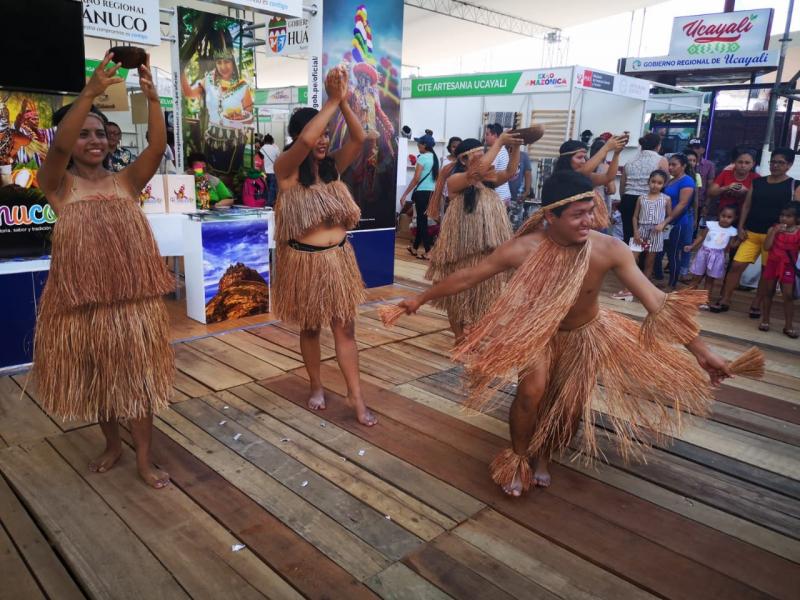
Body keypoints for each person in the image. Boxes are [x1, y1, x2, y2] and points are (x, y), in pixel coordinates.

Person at [391, 170, 746, 495]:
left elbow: (657, 301)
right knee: (531, 392)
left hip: (583, 334)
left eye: (590, 211)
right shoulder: (524, 249)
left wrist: (702, 352)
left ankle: (544, 456)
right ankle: (518, 457)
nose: (588, 220)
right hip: (535, 331)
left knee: (569, 405)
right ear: (551, 216)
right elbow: (469, 276)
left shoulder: (609, 249)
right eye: (577, 215)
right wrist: (419, 299)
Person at [33, 53, 174, 489]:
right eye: (84, 133)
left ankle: (144, 459)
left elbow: (156, 148)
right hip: (84, 309)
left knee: (139, 385)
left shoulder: (126, 181)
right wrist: (90, 93)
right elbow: (58, 149)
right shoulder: (59, 185)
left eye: (100, 133)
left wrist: (153, 100)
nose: (94, 140)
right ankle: (113, 445)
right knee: (101, 383)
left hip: (133, 309)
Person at [273, 65, 377, 427]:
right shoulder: (286, 169)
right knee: (311, 328)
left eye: (326, 133)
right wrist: (331, 100)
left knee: (345, 329)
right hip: (305, 262)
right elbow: (304, 143)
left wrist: (343, 101)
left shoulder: (333, 166)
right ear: (299, 135)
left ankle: (356, 395)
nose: (322, 140)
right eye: (317, 132)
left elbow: (359, 138)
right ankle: (316, 385)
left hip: (339, 259)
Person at [423, 134, 521, 341]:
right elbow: (475, 173)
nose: (483, 159)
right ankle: (460, 338)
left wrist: (516, 148)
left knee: (483, 296)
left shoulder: (490, 181)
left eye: (483, 154)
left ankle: (474, 336)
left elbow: (511, 172)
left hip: (487, 253)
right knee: (457, 298)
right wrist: (499, 142)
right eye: (478, 156)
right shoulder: (456, 180)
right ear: (463, 160)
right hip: (460, 252)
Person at [710, 147, 800, 315]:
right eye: (773, 162)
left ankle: (757, 303)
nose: (775, 165)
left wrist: (788, 232)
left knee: (766, 273)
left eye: (780, 163)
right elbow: (747, 205)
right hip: (750, 233)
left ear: (789, 165)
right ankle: (725, 299)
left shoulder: (794, 185)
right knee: (736, 265)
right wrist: (741, 226)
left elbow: (796, 212)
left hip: (774, 237)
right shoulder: (758, 182)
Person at [181, 32, 253, 175]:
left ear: (233, 62)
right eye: (219, 62)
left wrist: (238, 117)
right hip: (211, 139)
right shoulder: (208, 80)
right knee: (207, 176)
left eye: (226, 62)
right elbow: (189, 94)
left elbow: (249, 116)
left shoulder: (242, 86)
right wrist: (180, 71)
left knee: (229, 179)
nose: (223, 66)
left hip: (234, 141)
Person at [684, 206, 739, 309]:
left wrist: (739, 239)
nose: (725, 219)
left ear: (734, 218)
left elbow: (732, 245)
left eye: (729, 217)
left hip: (717, 257)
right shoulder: (711, 225)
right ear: (719, 215)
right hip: (703, 253)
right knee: (696, 277)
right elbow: (701, 236)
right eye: (723, 216)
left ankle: (704, 301)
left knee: (710, 280)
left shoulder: (733, 231)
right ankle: (687, 298)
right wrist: (692, 246)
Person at [759, 203, 800, 337]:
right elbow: (766, 247)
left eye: (788, 216)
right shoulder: (773, 229)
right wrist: (774, 232)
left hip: (788, 266)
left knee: (788, 295)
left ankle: (788, 326)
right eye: (782, 215)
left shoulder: (798, 232)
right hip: (773, 263)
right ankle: (765, 320)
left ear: (797, 219)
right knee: (768, 291)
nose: (784, 218)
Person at [619, 133, 669, 243]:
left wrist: (624, 199)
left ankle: (628, 254)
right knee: (648, 237)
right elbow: (665, 181)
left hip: (628, 199)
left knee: (629, 235)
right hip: (648, 200)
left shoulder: (630, 160)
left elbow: (623, 184)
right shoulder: (661, 160)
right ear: (658, 145)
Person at [399, 133, 439, 260]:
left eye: (419, 143)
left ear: (424, 145)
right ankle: (415, 248)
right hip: (431, 193)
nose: (417, 145)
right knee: (422, 220)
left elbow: (416, 179)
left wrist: (404, 194)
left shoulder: (422, 158)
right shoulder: (434, 158)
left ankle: (428, 251)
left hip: (422, 193)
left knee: (422, 222)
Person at [627, 170, 671, 284]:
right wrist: (636, 232)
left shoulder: (666, 199)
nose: (655, 185)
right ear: (648, 181)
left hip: (656, 233)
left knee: (649, 262)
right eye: (653, 181)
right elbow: (635, 217)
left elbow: (670, 216)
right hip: (641, 231)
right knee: (632, 259)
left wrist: (662, 224)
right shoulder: (641, 198)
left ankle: (643, 286)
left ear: (664, 184)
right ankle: (629, 287)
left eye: (659, 183)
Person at [660, 153, 696, 291]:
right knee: (663, 251)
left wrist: (667, 220)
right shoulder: (671, 180)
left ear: (683, 166)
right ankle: (663, 279)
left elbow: (682, 204)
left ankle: (672, 284)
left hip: (678, 222)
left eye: (674, 165)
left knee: (673, 254)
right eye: (669, 164)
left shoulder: (687, 181)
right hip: (667, 222)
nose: (670, 167)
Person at [555, 135, 626, 189]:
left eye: (584, 157)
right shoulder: (562, 176)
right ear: (566, 159)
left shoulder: (587, 176)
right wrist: (606, 147)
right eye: (579, 157)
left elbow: (609, 177)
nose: (583, 161)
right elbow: (582, 173)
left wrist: (616, 154)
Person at [708, 149, 759, 217]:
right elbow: (711, 192)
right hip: (724, 216)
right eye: (740, 162)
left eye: (747, 163)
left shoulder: (756, 178)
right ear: (735, 162)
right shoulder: (726, 173)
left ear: (753, 164)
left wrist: (746, 191)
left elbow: (760, 199)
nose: (743, 165)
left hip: (745, 216)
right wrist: (727, 187)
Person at [589, 136, 617, 225]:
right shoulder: (605, 167)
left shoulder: (586, 166)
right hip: (600, 206)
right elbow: (612, 190)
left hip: (587, 205)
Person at [484, 123, 512, 204]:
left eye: (487, 134)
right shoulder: (502, 149)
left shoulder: (497, 151)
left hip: (499, 196)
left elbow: (488, 170)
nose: (485, 137)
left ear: (495, 135)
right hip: (503, 193)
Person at [687, 138, 716, 217]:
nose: (693, 150)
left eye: (696, 148)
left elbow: (710, 187)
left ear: (703, 150)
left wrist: (706, 205)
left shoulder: (709, 165)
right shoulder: (682, 163)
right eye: (691, 148)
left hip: (700, 202)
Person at [507, 145, 533, 231]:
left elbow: (528, 174)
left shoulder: (523, 156)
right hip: (501, 198)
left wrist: (527, 191)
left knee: (515, 226)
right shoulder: (502, 154)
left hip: (517, 197)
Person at [441, 136, 462, 213]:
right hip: (445, 194)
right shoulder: (444, 159)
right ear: (449, 147)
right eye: (453, 147)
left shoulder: (462, 161)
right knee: (445, 214)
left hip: (458, 195)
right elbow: (440, 177)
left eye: (458, 147)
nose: (455, 149)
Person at [259, 133, 280, 206]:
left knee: (263, 188)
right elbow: (279, 160)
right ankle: (270, 205)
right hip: (272, 172)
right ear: (272, 141)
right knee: (272, 189)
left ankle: (263, 203)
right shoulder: (275, 149)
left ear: (264, 141)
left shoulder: (261, 149)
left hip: (263, 173)